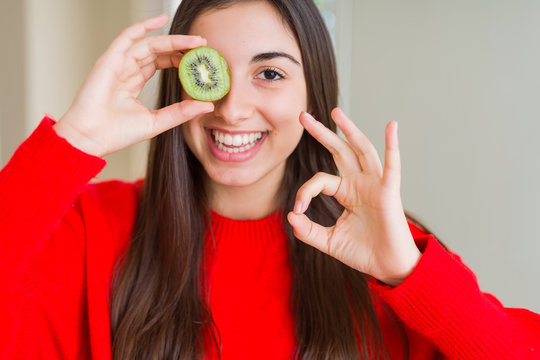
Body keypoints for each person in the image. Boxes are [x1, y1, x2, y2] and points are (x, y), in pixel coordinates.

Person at [1, 0, 539, 359]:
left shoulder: (387, 255)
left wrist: (409, 274)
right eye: (213, 72)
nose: (233, 109)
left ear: (313, 91)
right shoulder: (91, 228)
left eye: (270, 73)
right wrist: (73, 141)